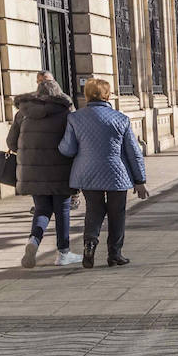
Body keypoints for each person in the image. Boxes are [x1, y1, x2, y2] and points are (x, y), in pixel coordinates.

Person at [58, 77, 149, 268]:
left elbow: (67, 149)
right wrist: (140, 180)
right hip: (117, 173)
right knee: (117, 213)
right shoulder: (121, 119)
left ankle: (90, 243)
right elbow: (133, 152)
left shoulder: (75, 118)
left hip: (87, 172)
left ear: (87, 95)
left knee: (94, 209)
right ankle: (115, 254)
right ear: (107, 95)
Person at [8, 78, 81, 268]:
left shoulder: (22, 113)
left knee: (42, 210)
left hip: (32, 172)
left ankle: (33, 241)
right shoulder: (66, 113)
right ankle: (63, 252)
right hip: (61, 170)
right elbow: (74, 142)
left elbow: (11, 143)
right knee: (62, 209)